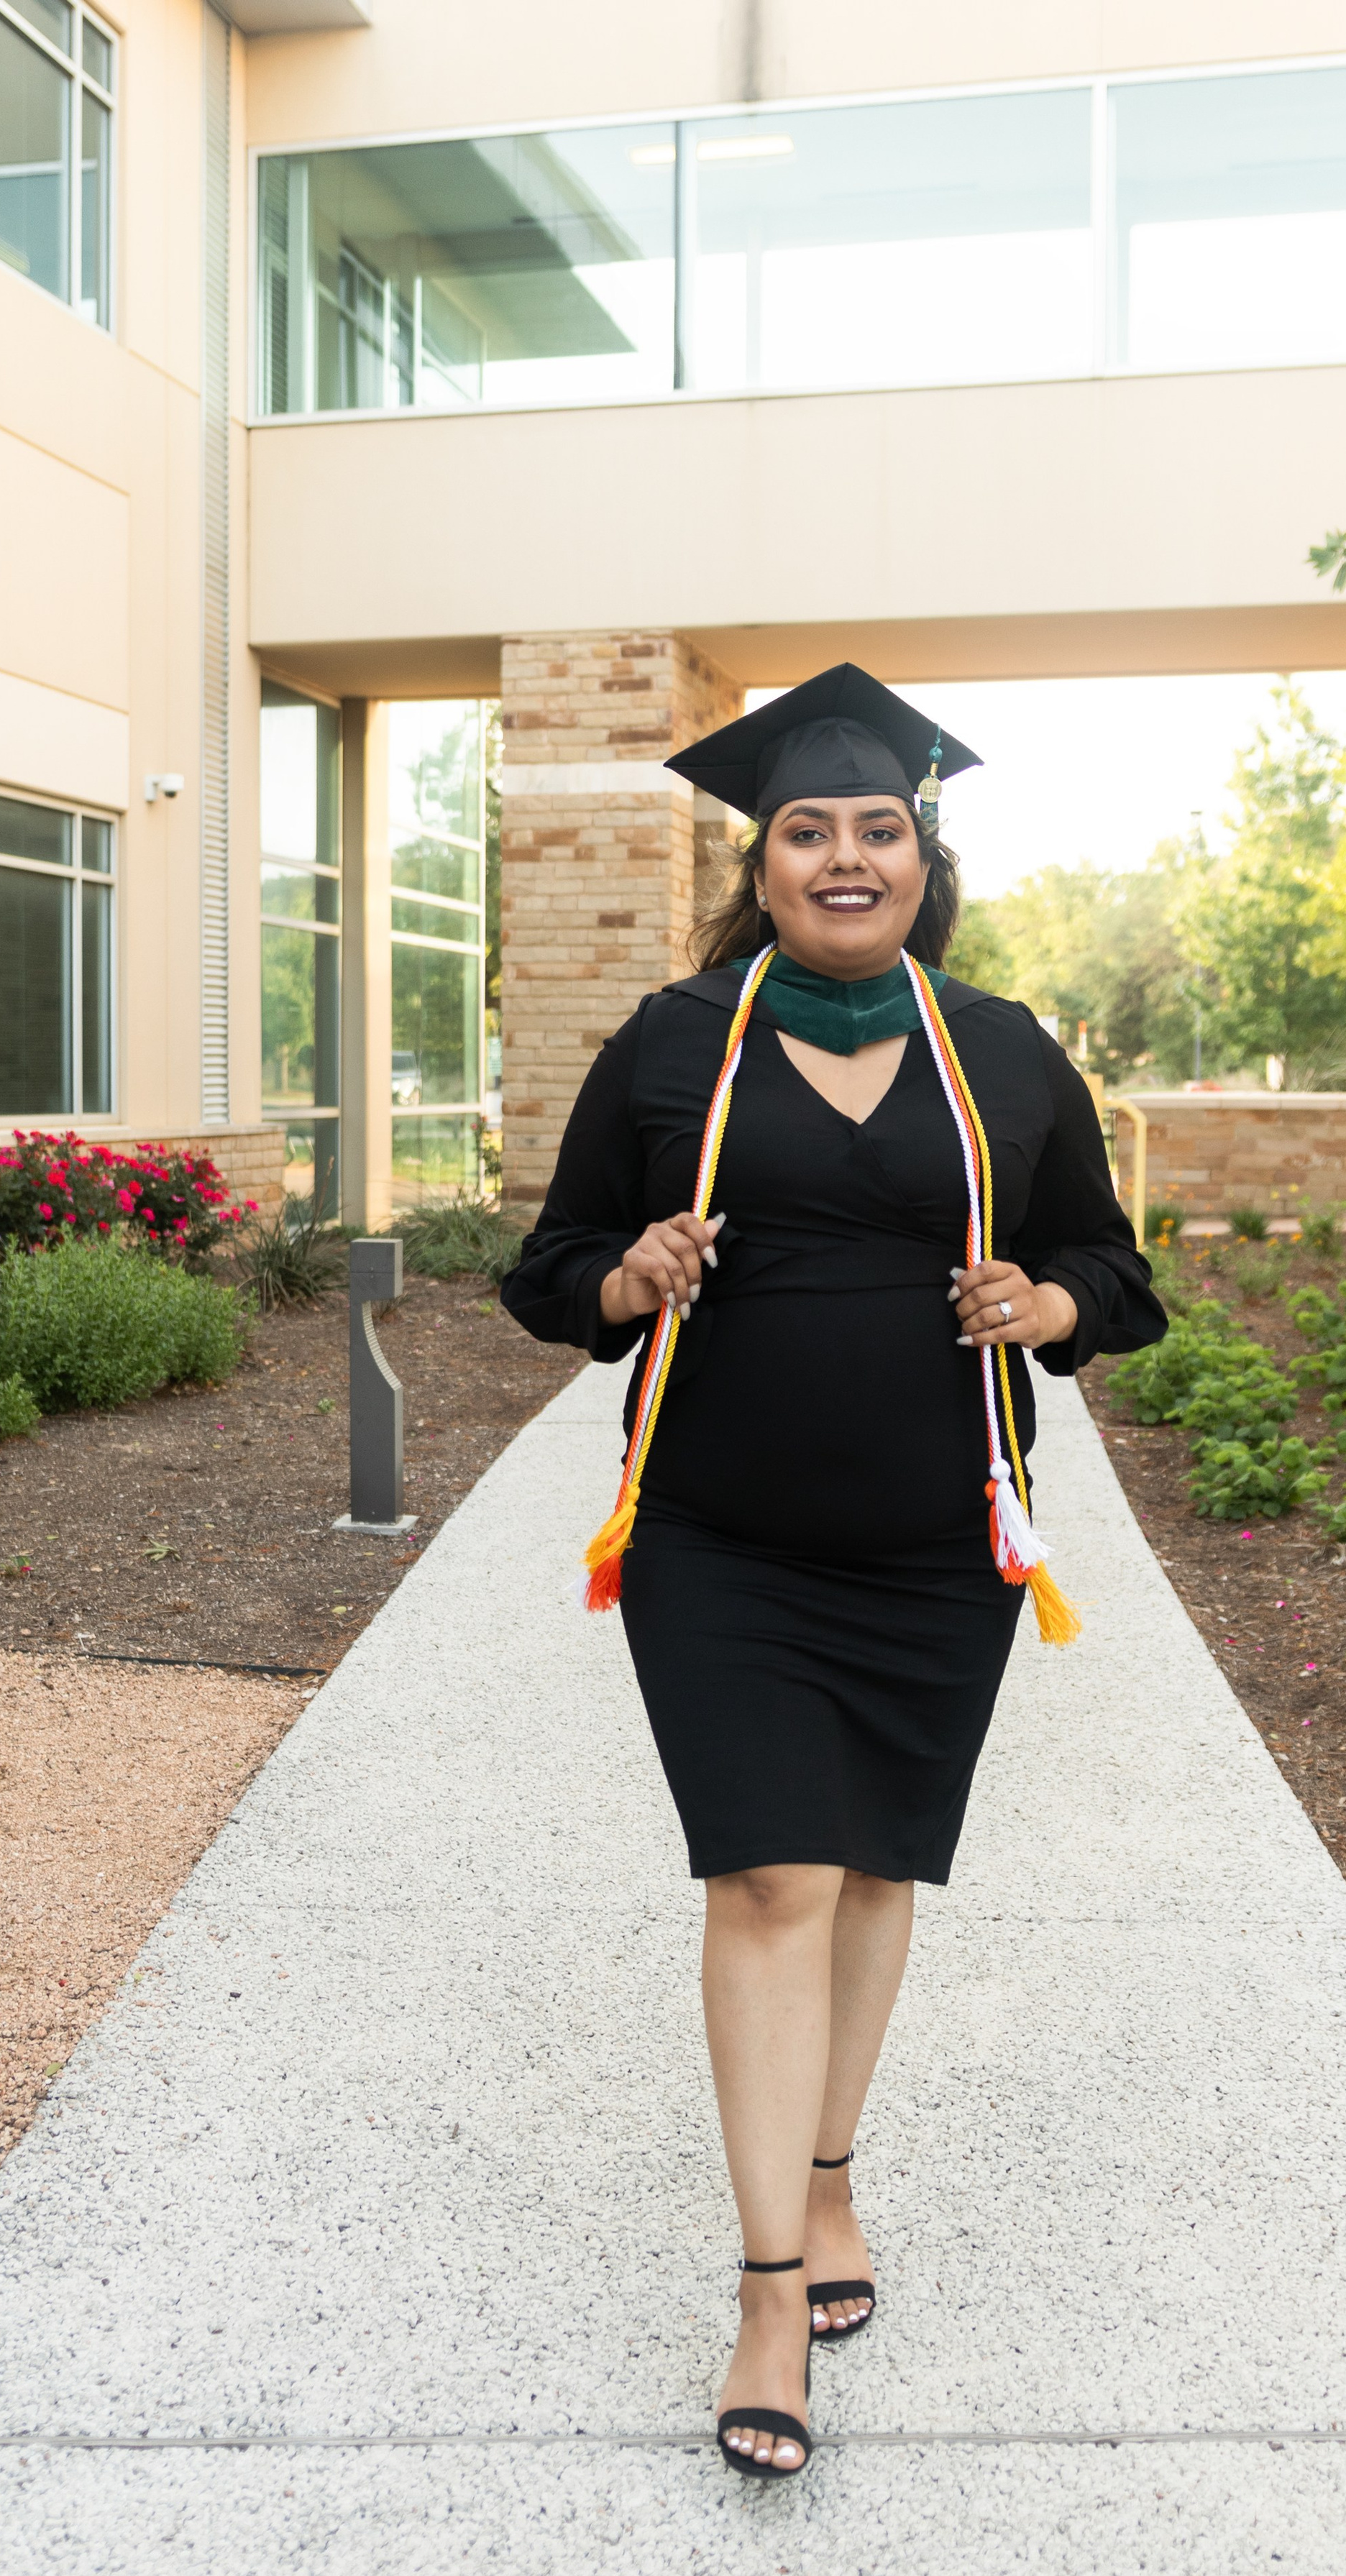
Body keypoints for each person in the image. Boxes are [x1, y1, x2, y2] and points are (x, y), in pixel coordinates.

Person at [501, 666, 1166, 2480]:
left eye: (877, 827)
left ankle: (831, 2172)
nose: (845, 855)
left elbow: (1113, 1275)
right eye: (810, 830)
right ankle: (767, 2292)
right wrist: (627, 1277)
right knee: (770, 1875)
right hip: (714, 1538)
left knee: (873, 1876)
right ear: (763, 860)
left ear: (918, 858)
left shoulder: (1005, 1052)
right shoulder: (669, 1044)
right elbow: (548, 1266)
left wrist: (1039, 1304)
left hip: (940, 1544)